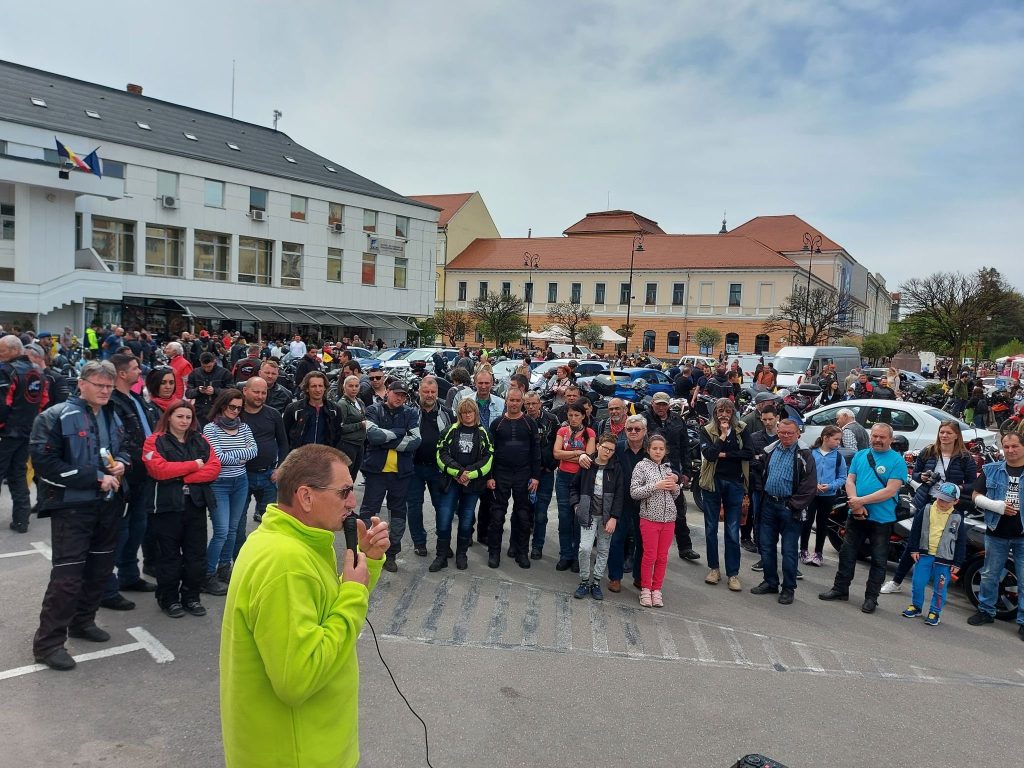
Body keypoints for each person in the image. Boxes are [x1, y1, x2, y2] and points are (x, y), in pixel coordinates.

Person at [220, 444, 389, 768]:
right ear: (306, 497)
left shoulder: (286, 540)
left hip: (304, 743)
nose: (353, 502)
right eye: (344, 492)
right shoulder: (287, 563)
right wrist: (353, 592)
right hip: (299, 753)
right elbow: (297, 678)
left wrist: (369, 562)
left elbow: (326, 613)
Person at [29, 361, 129, 671]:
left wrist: (123, 463)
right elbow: (45, 463)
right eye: (98, 384)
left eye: (109, 386)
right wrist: (95, 478)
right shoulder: (54, 416)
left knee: (99, 570)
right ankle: (48, 644)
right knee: (67, 579)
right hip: (72, 508)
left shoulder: (114, 413)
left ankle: (83, 622)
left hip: (108, 506)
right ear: (81, 383)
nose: (104, 390)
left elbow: (126, 446)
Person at [142, 400, 221, 617]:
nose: (184, 421)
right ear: (169, 417)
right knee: (169, 557)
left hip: (194, 505)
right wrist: (194, 465)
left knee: (196, 556)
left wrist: (181, 476)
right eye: (180, 416)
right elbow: (158, 470)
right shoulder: (153, 441)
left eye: (188, 417)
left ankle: (191, 597)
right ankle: (169, 599)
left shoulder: (200, 439)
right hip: (166, 508)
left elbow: (214, 468)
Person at [819, 423, 908, 613]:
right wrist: (855, 504)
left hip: (882, 519)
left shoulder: (897, 461)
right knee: (847, 553)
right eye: (875, 436)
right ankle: (840, 589)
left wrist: (860, 501)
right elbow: (850, 480)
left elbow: (891, 490)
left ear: (890, 439)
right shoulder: (861, 455)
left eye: (882, 437)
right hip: (856, 515)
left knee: (878, 560)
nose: (877, 440)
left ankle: (871, 599)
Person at [881, 420, 976, 595]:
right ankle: (896, 581)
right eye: (942, 432)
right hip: (926, 502)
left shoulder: (966, 457)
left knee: (949, 544)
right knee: (914, 542)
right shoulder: (928, 451)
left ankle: (939, 590)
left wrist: (957, 488)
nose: (944, 435)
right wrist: (922, 477)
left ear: (957, 435)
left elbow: (973, 484)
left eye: (948, 432)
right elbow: (915, 473)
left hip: (951, 506)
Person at [100, 353, 161, 612]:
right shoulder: (112, 402)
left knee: (138, 526)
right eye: (136, 368)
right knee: (120, 531)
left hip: (142, 473)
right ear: (122, 373)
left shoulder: (135, 397)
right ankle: (106, 587)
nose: (140, 371)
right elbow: (120, 440)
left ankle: (128, 575)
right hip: (126, 475)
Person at [750, 419, 817, 605]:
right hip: (769, 504)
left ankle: (788, 588)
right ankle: (770, 582)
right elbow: (759, 471)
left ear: (798, 434)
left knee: (788, 551)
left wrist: (793, 506)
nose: (786, 436)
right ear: (777, 432)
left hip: (790, 508)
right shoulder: (771, 450)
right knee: (767, 546)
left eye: (790, 433)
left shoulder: (804, 454)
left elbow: (810, 486)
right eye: (782, 432)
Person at [966, 430, 1024, 637]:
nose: (1010, 450)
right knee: (990, 574)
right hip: (996, 531)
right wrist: (996, 506)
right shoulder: (991, 470)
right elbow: (975, 495)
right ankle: (985, 611)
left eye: (1015, 446)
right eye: (1006, 446)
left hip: (1022, 536)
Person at [359, 381, 421, 572]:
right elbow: (373, 437)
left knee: (398, 513)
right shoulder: (373, 410)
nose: (400, 398)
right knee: (369, 512)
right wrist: (399, 433)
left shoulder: (410, 413)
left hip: (401, 473)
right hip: (376, 472)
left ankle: (391, 553)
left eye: (403, 395)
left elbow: (416, 441)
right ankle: (363, 550)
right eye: (396, 394)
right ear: (387, 393)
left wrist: (386, 439)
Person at [202, 389, 258, 595]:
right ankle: (207, 574)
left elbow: (254, 451)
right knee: (222, 531)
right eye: (231, 407)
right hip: (219, 484)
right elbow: (219, 457)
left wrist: (233, 455)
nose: (235, 411)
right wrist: (241, 456)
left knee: (233, 529)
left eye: (239, 408)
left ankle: (225, 568)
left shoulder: (244, 427)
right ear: (222, 405)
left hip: (240, 482)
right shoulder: (211, 429)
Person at [699, 398, 753, 592]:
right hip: (712, 484)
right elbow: (710, 455)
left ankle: (733, 574)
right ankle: (714, 569)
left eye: (727, 411)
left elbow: (748, 452)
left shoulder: (742, 428)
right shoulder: (706, 430)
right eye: (720, 411)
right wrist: (721, 437)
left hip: (735, 483)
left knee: (732, 531)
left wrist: (727, 455)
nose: (723, 414)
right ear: (715, 413)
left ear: (733, 413)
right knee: (711, 528)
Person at [434, 399, 494, 571]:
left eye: (470, 412)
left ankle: (462, 555)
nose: (467, 415)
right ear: (459, 414)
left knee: (466, 521)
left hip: (473, 484)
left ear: (475, 413)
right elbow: (441, 454)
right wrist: (458, 472)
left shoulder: (484, 433)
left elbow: (488, 459)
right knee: (444, 519)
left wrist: (470, 473)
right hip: (451, 482)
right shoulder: (450, 431)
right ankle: (441, 555)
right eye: (464, 412)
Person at [485, 387, 540, 569]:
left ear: (522, 402)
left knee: (523, 516)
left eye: (518, 401)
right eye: (511, 400)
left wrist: (535, 476)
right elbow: (490, 453)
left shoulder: (529, 423)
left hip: (523, 474)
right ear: (506, 401)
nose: (514, 403)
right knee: (497, 515)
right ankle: (494, 553)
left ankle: (522, 552)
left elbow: (535, 451)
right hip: (501, 473)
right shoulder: (497, 424)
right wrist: (490, 476)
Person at [1, 334, 49, 533]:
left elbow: (2, 405)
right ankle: (21, 520)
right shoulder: (37, 372)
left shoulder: (6, 371)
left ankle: (21, 520)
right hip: (27, 432)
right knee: (18, 474)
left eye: (2, 350)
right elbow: (44, 402)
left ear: (14, 350)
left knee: (16, 474)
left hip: (6, 433)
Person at [901, 482, 968, 626]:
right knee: (918, 582)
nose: (941, 502)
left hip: (945, 560)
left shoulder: (958, 517)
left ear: (955, 501)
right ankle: (916, 606)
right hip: (924, 554)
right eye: (939, 498)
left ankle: (935, 611)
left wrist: (957, 562)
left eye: (946, 500)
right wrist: (913, 549)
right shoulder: (927, 509)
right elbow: (915, 530)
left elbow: (961, 542)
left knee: (940, 587)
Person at [643, 391, 699, 561]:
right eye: (657, 403)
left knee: (679, 511)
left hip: (673, 472)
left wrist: (687, 472)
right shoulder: (644, 419)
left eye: (663, 404)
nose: (660, 407)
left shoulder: (677, 420)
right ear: (652, 403)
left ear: (668, 405)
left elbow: (684, 448)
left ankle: (685, 548)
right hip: (650, 471)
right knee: (645, 513)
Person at [628, 434, 680, 608]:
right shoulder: (641, 466)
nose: (658, 452)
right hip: (649, 518)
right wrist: (654, 486)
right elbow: (634, 492)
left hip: (669, 519)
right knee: (649, 555)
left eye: (661, 449)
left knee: (662, 557)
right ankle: (645, 588)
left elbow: (675, 494)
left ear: (665, 451)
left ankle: (657, 589)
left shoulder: (667, 469)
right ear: (648, 449)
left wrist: (675, 486)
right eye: (654, 448)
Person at [570, 432, 624, 601]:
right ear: (598, 445)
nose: (607, 452)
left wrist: (614, 517)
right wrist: (577, 505)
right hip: (588, 515)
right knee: (584, 548)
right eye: (605, 448)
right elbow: (574, 487)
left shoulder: (616, 468)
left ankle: (596, 582)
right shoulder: (587, 464)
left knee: (603, 549)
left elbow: (619, 495)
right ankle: (585, 580)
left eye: (612, 450)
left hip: (606, 518)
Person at [406, 376, 453, 557]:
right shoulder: (409, 412)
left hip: (438, 469)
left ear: (437, 393)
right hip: (414, 467)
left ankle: (444, 543)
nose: (429, 395)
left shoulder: (446, 413)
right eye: (426, 392)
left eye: (433, 392)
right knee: (415, 507)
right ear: (419, 392)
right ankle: (419, 543)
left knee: (442, 507)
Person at [553, 402, 596, 573]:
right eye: (570, 415)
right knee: (564, 517)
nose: (573, 418)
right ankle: (565, 555)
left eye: (577, 415)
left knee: (579, 518)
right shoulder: (562, 431)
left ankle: (578, 557)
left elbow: (589, 459)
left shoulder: (589, 433)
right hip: (563, 478)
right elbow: (556, 454)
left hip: (581, 480)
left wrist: (569, 455)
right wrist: (579, 454)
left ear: (583, 416)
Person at [240, 377, 289, 526]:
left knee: (270, 523)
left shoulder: (273, 415)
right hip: (242, 475)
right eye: (256, 392)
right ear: (245, 390)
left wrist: (280, 468)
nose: (260, 396)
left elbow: (283, 443)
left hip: (269, 476)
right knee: (238, 523)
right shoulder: (236, 414)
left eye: (264, 392)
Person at [800, 426, 848, 567]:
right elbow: (803, 473)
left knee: (822, 524)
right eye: (836, 439)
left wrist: (831, 486)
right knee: (806, 522)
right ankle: (803, 550)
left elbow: (842, 477)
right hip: (811, 494)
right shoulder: (811, 453)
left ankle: (818, 553)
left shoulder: (838, 457)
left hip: (828, 495)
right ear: (825, 438)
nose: (838, 442)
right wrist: (813, 486)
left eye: (840, 439)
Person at [524, 390, 559, 560]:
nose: (531, 407)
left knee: (541, 513)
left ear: (540, 404)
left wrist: (551, 465)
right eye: (528, 404)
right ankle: (521, 544)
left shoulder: (552, 420)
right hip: (525, 473)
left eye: (534, 403)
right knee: (524, 510)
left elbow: (558, 446)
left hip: (545, 473)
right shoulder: (520, 419)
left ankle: (537, 545)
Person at [742, 408, 779, 560]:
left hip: (777, 486)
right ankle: (760, 546)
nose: (767, 422)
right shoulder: (754, 437)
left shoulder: (783, 437)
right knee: (758, 516)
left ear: (777, 418)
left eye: (770, 419)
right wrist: (763, 461)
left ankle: (769, 547)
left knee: (774, 519)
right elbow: (749, 459)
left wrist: (761, 459)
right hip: (758, 484)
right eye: (764, 419)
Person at [283, 372, 342, 451]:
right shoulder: (294, 409)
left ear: (325, 388)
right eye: (313, 386)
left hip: (324, 456)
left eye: (320, 386)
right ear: (307, 388)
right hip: (300, 457)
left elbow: (338, 435)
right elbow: (284, 436)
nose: (318, 390)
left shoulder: (334, 409)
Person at [186, 352, 234, 426]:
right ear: (200, 362)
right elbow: (188, 393)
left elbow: (232, 393)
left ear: (214, 361)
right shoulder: (195, 373)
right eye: (204, 366)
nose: (206, 369)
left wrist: (215, 391)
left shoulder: (225, 373)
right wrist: (198, 390)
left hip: (218, 411)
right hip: (200, 412)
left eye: (209, 366)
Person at [337, 374, 368, 479]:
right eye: (350, 386)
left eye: (356, 385)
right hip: (348, 444)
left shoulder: (360, 402)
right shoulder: (342, 404)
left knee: (353, 475)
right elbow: (340, 428)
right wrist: (360, 425)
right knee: (346, 476)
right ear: (344, 387)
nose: (354, 388)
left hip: (360, 444)